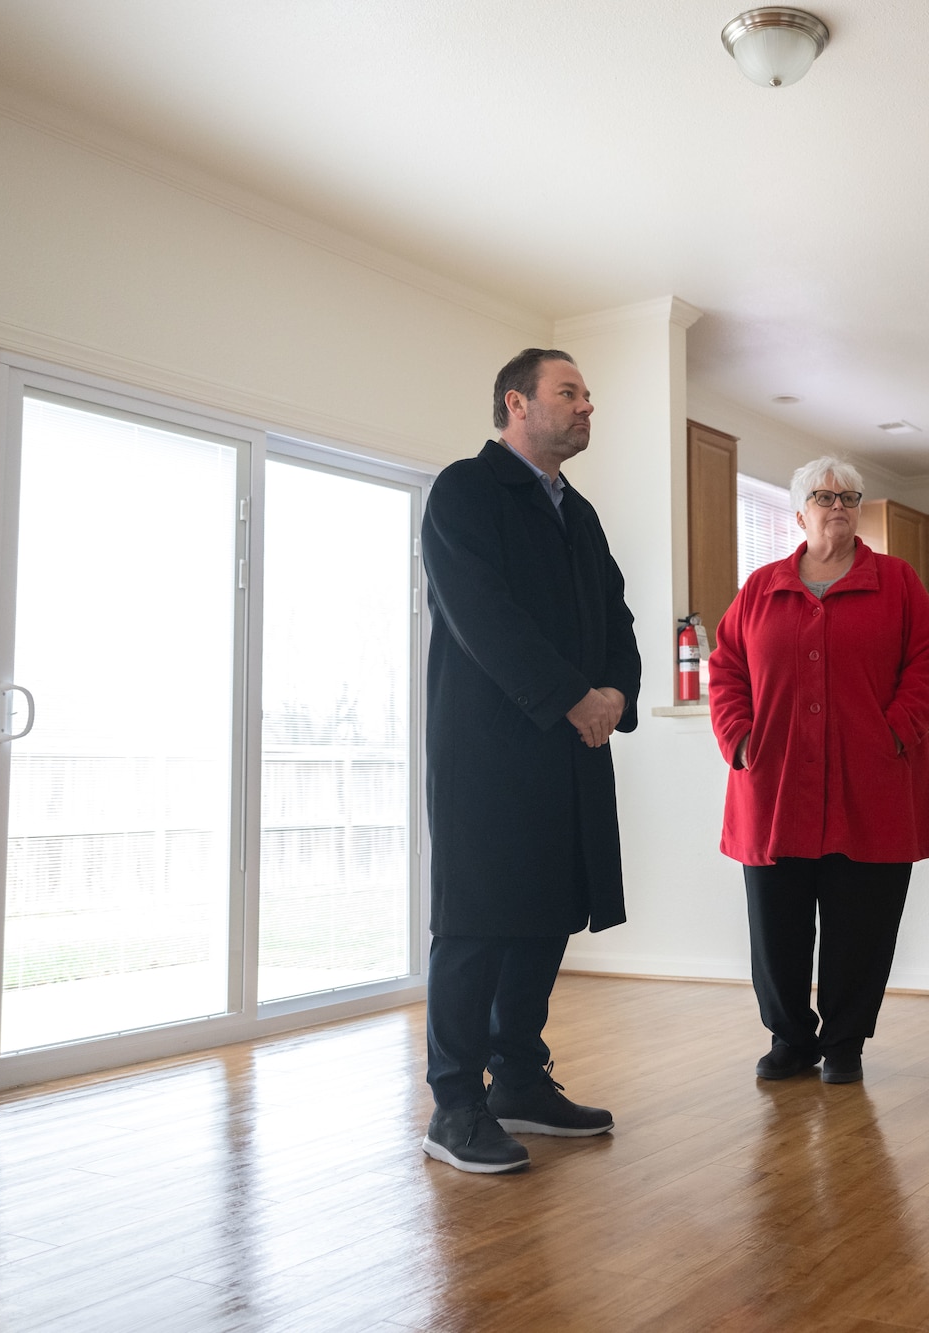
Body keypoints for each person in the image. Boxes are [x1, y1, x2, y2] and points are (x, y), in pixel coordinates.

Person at [418, 348, 640, 1174]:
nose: (588, 406)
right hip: (486, 750)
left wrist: (617, 690)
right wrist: (573, 698)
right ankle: (455, 1103)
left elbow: (615, 614)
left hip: (570, 747)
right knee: (477, 923)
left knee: (546, 912)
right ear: (516, 402)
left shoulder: (576, 514)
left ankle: (517, 1077)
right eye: (569, 392)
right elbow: (485, 617)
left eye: (588, 394)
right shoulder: (462, 493)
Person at [706, 457, 929, 1085]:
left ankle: (844, 1042)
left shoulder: (896, 582)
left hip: (871, 781)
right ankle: (790, 1038)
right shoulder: (760, 588)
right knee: (776, 923)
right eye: (823, 495)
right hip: (775, 782)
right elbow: (726, 666)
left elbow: (927, 660)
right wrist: (736, 737)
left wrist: (896, 730)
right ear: (799, 512)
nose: (838, 505)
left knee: (861, 923)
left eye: (849, 496)